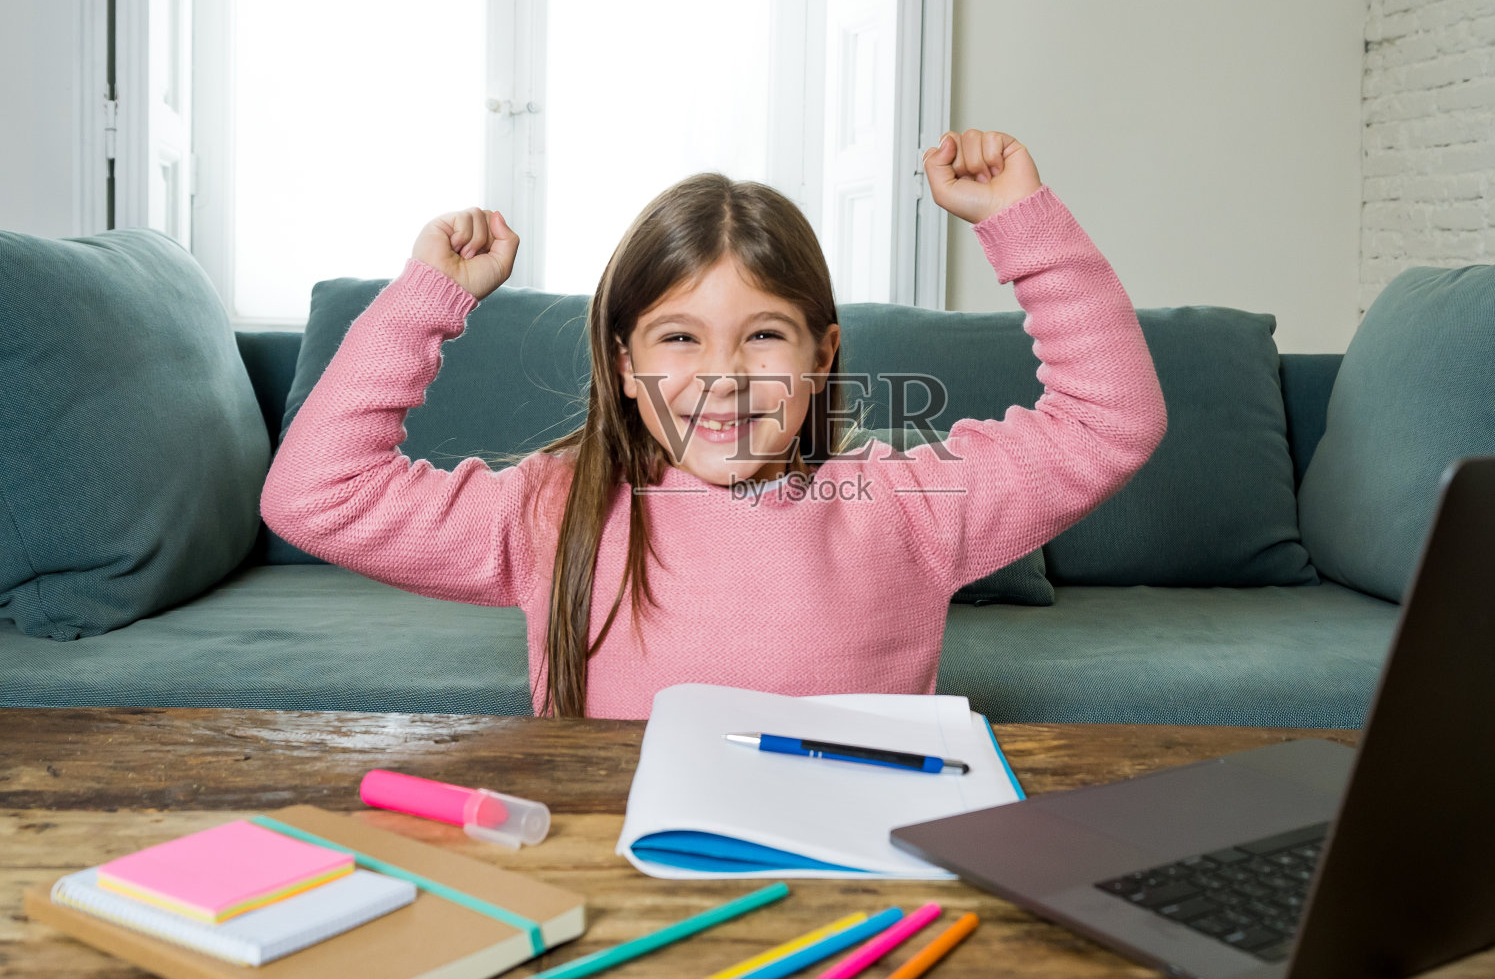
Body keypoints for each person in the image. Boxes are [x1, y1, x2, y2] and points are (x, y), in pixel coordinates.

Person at [260, 129, 1167, 718]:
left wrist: (1022, 224)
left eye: (764, 335)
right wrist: (431, 298)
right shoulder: (551, 510)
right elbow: (314, 496)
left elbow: (1110, 418)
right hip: (624, 876)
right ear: (623, 364)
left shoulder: (906, 503)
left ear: (821, 356)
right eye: (680, 337)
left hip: (847, 883)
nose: (725, 376)